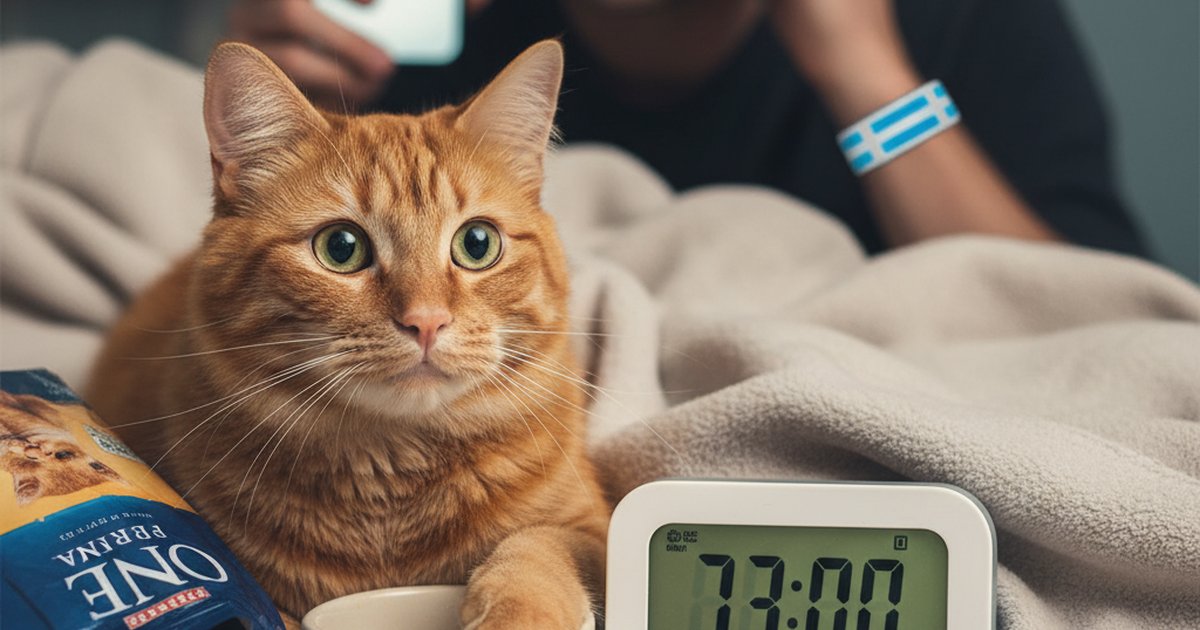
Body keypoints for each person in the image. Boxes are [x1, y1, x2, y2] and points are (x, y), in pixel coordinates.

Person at [228, 0, 1146, 256]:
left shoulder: (963, 21)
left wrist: (863, 68)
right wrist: (270, 81)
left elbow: (1083, 329)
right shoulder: (438, 41)